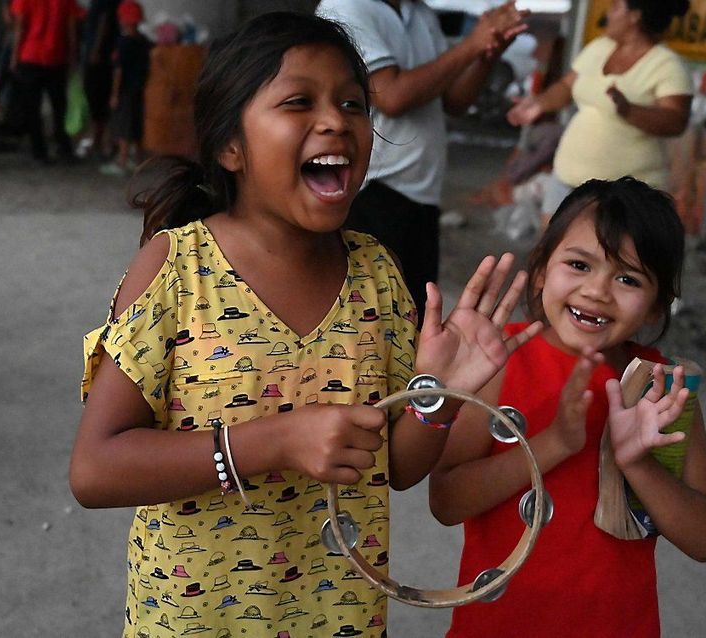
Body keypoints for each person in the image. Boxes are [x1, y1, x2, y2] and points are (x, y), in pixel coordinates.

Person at [70, 12, 542, 637]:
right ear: (229, 146)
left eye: (353, 102)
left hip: (338, 620)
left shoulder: (376, 273)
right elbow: (95, 470)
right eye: (299, 101)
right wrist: (275, 442)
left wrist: (436, 395)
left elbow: (396, 468)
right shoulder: (177, 268)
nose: (337, 120)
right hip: (194, 623)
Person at [430, 177, 706, 637]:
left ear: (655, 308)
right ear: (543, 270)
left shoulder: (661, 386)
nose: (598, 291)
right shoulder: (496, 362)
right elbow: (447, 501)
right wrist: (556, 443)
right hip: (496, 626)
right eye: (579, 265)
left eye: (628, 278)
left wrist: (638, 466)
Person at [315, 0, 527, 320]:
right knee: (369, 314)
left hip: (421, 192)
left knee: (413, 311)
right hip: (372, 189)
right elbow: (393, 96)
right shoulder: (347, 7)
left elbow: (454, 100)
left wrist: (489, 50)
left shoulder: (420, 13)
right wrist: (472, 43)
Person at [507, 0, 693, 225]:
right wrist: (539, 103)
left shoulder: (666, 65)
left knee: (606, 256)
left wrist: (629, 110)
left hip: (625, 194)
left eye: (616, 7)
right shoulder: (598, 47)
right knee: (552, 253)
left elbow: (676, 121)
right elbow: (566, 87)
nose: (608, 13)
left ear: (635, 15)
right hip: (567, 177)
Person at [9, 0, 81, 163]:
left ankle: (39, 151)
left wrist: (14, 56)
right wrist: (73, 57)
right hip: (57, 56)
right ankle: (63, 146)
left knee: (32, 108)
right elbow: (71, 30)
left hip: (30, 55)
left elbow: (20, 27)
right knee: (59, 106)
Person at [99, 0, 149, 176]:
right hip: (140, 89)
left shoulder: (123, 43)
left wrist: (114, 94)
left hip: (125, 91)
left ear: (123, 20)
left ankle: (122, 161)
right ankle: (139, 161)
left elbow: (118, 71)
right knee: (137, 126)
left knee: (123, 127)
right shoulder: (144, 41)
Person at [78, 0, 120, 160]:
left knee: (97, 100)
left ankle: (101, 142)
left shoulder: (102, 5)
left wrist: (96, 50)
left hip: (99, 58)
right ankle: (100, 142)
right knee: (100, 101)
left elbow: (103, 22)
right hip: (103, 56)